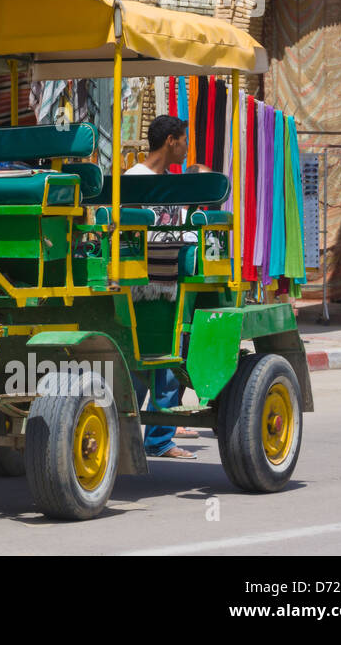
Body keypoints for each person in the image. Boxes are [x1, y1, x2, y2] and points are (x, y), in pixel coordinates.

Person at [125, 115, 199, 459]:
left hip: (168, 284)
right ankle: (146, 437)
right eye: (184, 139)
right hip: (140, 286)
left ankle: (156, 439)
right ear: (171, 140)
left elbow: (180, 231)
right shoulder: (135, 180)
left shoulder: (174, 183)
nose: (186, 146)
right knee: (145, 362)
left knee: (162, 363)